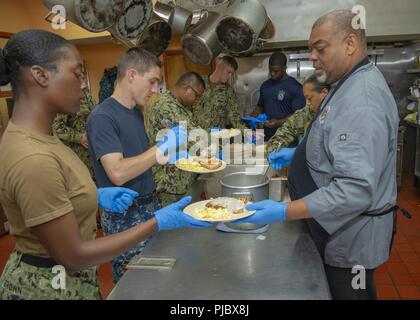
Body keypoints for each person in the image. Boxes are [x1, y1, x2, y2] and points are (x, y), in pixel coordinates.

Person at [0, 30, 211, 300]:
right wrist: (157, 222)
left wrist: (94, 194)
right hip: (48, 288)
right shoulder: (33, 157)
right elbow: (73, 256)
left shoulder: (43, 140)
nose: (85, 85)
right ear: (41, 76)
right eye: (77, 74)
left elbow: (55, 192)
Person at [236, 10, 400, 300]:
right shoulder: (346, 83)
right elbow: (333, 140)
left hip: (353, 241)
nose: (312, 56)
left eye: (320, 48)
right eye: (311, 49)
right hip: (337, 228)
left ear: (350, 44)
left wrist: (283, 211)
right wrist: (298, 155)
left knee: (353, 294)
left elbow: (354, 191)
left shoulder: (361, 99)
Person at [87, 48, 193, 283]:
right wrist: (160, 150)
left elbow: (139, 159)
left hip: (148, 206)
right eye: (152, 82)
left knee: (155, 280)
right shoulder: (103, 117)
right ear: (132, 75)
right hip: (124, 217)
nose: (155, 90)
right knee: (134, 283)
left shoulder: (135, 112)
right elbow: (118, 172)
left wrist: (169, 155)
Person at [145, 72, 207, 206]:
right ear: (186, 88)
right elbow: (194, 137)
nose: (197, 99)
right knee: (172, 226)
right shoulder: (166, 107)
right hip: (169, 184)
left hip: (179, 181)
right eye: (196, 95)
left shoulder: (178, 105)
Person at [249, 51, 306, 140]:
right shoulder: (265, 85)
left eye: (276, 71)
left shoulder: (295, 87)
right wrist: (252, 116)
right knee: (259, 154)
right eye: (270, 69)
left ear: (285, 68)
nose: (272, 73)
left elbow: (298, 115)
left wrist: (279, 122)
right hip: (264, 136)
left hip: (285, 138)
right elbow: (260, 107)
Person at [266, 75, 330, 154]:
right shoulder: (306, 113)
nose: (308, 103)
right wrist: (275, 150)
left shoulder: (338, 114)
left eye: (310, 98)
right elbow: (286, 131)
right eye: (305, 99)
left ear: (324, 93)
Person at [192, 56, 246, 131]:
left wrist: (247, 133)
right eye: (229, 72)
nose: (230, 76)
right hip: (196, 135)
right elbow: (187, 107)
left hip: (216, 138)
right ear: (220, 67)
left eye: (232, 74)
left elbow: (235, 117)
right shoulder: (199, 82)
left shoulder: (228, 91)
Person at [53, 89, 96, 177]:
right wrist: (79, 138)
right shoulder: (65, 97)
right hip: (77, 153)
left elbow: (95, 114)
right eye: (77, 76)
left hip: (93, 149)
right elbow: (57, 127)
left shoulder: (86, 93)